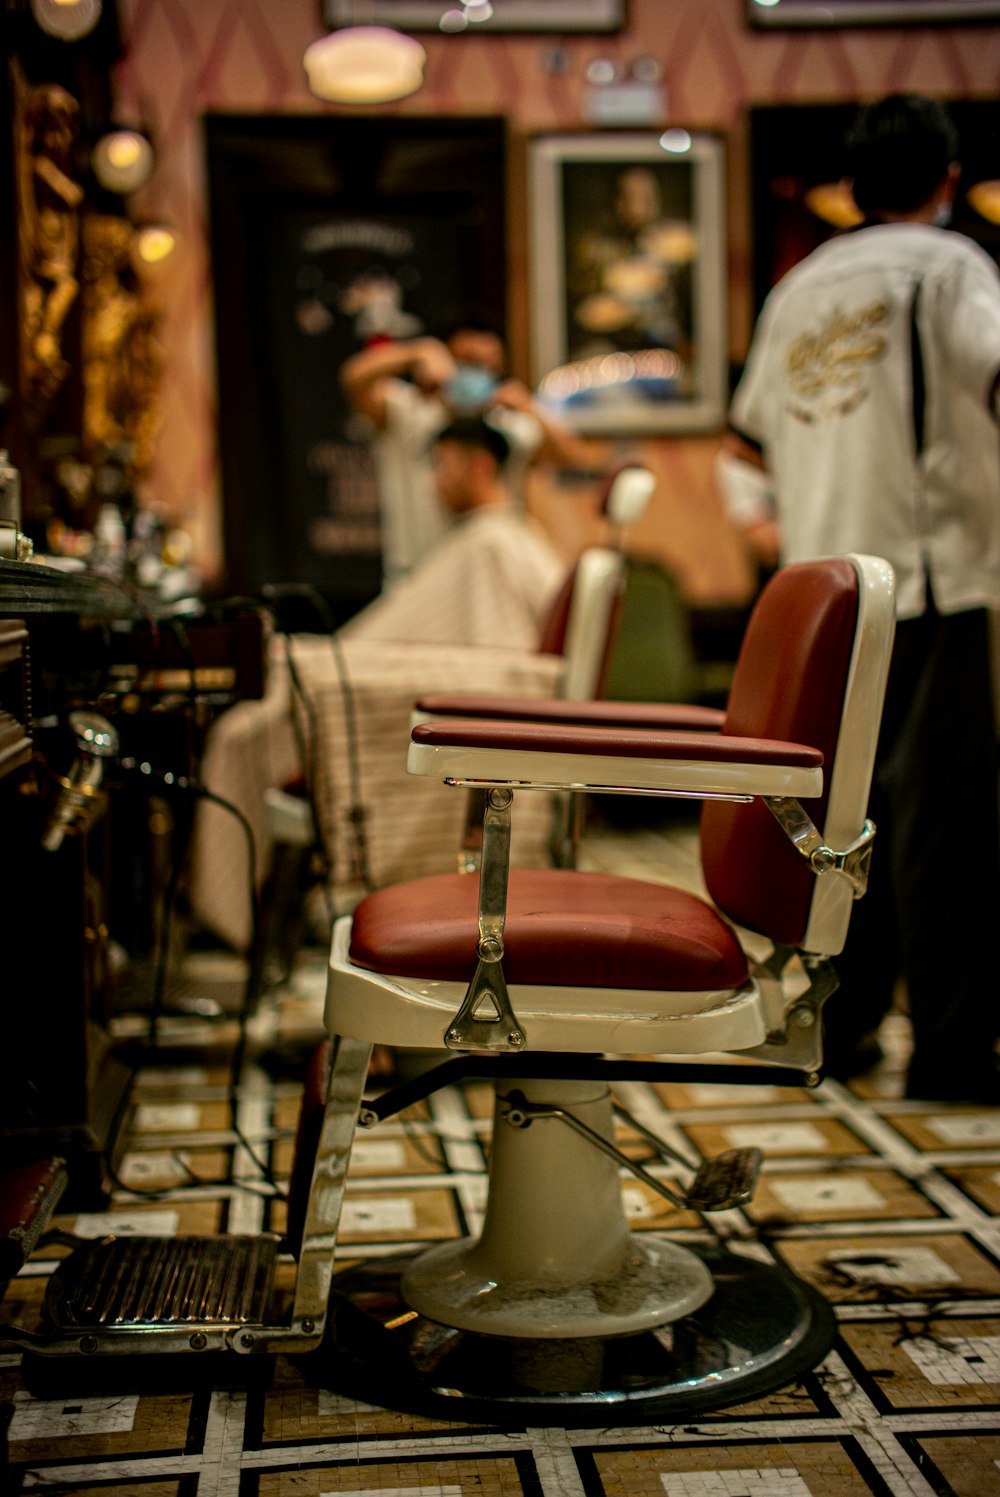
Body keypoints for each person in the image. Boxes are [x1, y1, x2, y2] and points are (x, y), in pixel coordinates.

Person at [722, 93, 1000, 1103]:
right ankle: (954, 1049)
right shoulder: (951, 267)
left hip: (830, 598)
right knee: (945, 828)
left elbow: (742, 447)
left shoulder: (800, 287)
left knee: (846, 819)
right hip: (936, 581)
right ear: (945, 174)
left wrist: (778, 534)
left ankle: (842, 1026)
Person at [340, 317, 591, 585]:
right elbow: (353, 377)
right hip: (419, 579)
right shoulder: (409, 412)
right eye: (469, 362)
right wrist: (416, 353)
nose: (479, 373)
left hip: (487, 582)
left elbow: (572, 457)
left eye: (489, 367)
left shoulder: (510, 428)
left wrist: (531, 408)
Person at [341, 416, 566, 655]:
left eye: (442, 465)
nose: (434, 482)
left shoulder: (496, 542)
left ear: (480, 467)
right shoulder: (490, 537)